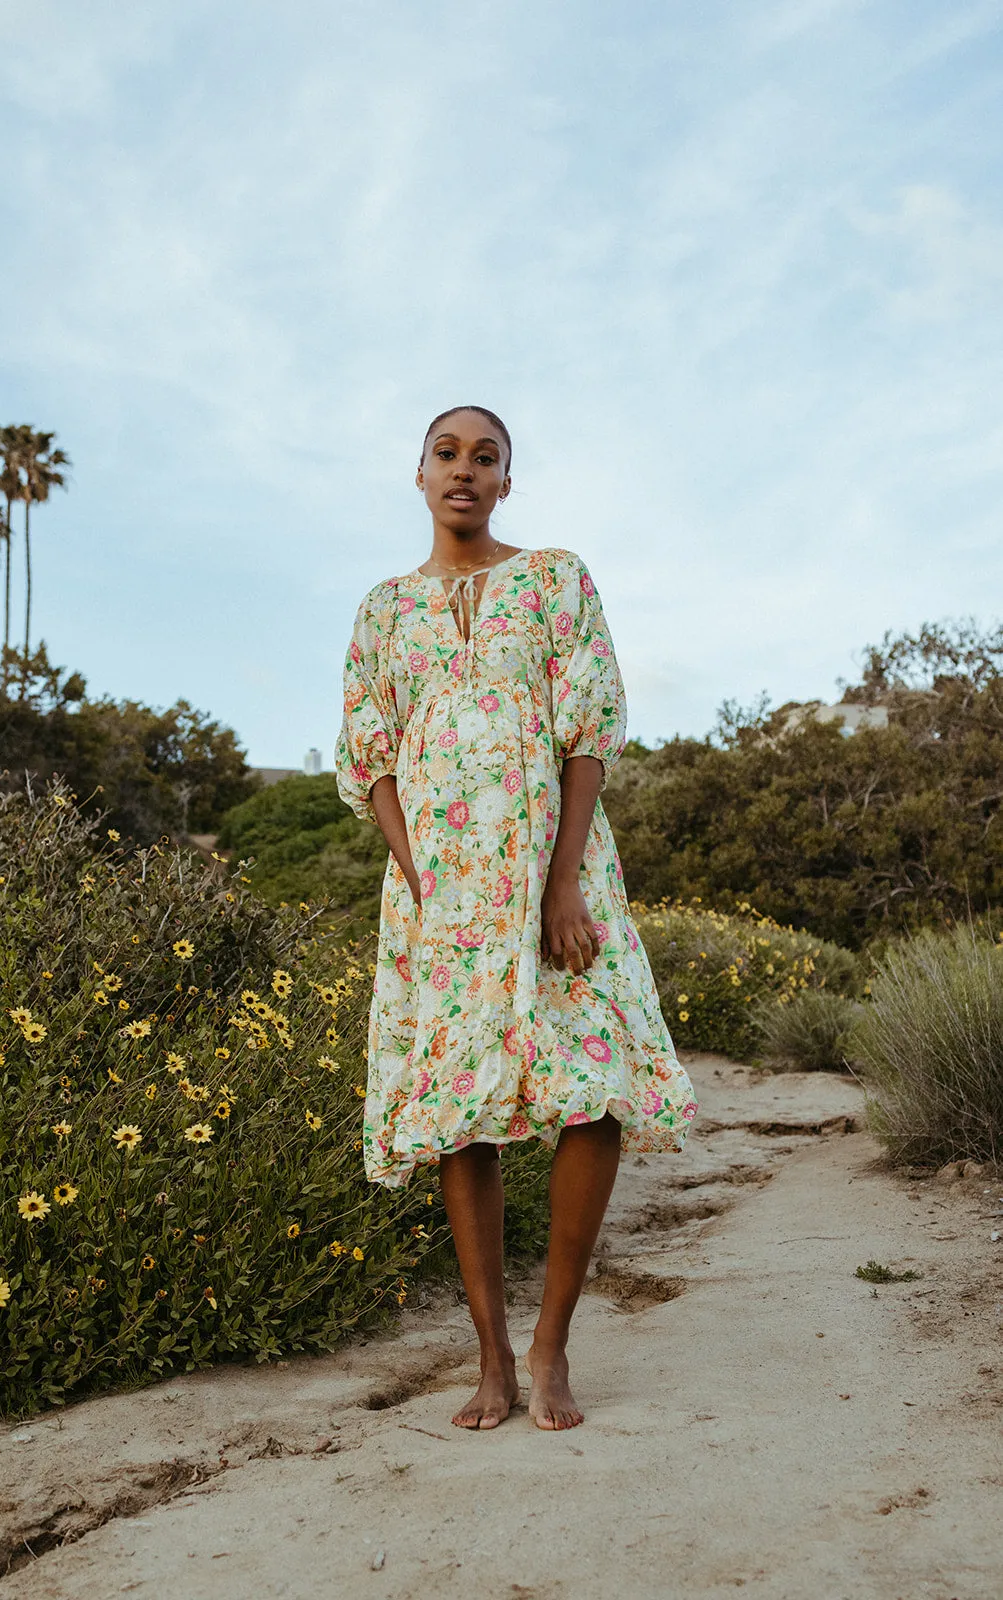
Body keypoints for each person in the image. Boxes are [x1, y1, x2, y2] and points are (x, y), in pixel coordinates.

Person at [334, 405, 697, 1431]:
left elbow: (587, 727)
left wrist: (561, 879)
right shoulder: (383, 610)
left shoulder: (553, 578)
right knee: (463, 1113)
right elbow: (369, 756)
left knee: (589, 1092)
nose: (463, 469)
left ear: (505, 480)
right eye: (444, 453)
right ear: (417, 475)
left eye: (483, 456)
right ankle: (489, 1353)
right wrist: (421, 886)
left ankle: (550, 1345)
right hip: (439, 897)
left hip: (552, 869)